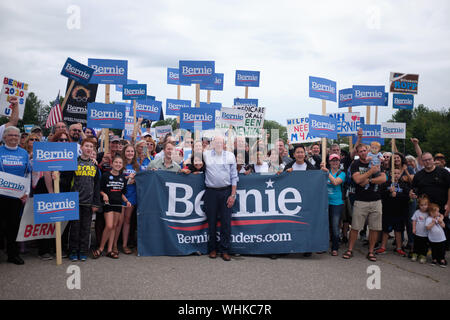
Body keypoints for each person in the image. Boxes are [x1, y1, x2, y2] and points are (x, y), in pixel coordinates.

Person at [343, 143, 387, 262]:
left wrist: (369, 180)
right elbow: (357, 180)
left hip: (376, 200)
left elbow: (384, 179)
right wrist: (371, 171)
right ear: (357, 153)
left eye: (364, 150)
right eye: (360, 151)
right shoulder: (355, 164)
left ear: (368, 150)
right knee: (355, 227)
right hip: (360, 200)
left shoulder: (377, 161)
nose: (363, 152)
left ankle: (371, 251)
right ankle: (350, 250)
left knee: (374, 228)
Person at [203, 135, 238, 261]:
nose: (218, 144)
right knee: (211, 222)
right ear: (212, 144)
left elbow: (234, 176)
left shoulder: (230, 156)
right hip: (211, 192)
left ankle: (225, 250)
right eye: (215, 142)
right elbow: (194, 163)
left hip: (226, 191)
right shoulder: (206, 155)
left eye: (220, 142)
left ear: (224, 144)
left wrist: (232, 195)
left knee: (226, 223)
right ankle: (212, 249)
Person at [67, 138, 101, 261]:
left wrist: (96, 202)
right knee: (74, 228)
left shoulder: (94, 165)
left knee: (86, 228)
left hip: (88, 202)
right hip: (75, 201)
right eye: (86, 146)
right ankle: (73, 250)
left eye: (91, 147)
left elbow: (97, 185)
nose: (88, 148)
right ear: (81, 147)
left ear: (93, 150)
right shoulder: (73, 162)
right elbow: (67, 180)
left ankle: (83, 251)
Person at [0, 125, 30, 265]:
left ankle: (13, 254)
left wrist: (27, 192)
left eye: (16, 136)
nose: (14, 138)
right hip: (1, 195)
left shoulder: (24, 153)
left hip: (17, 196)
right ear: (4, 137)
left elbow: (28, 173)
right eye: (11, 135)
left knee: (13, 226)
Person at [93, 155, 131, 259]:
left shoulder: (123, 178)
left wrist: (127, 201)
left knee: (114, 226)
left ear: (122, 165)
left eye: (120, 163)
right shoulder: (105, 175)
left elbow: (122, 193)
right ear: (112, 163)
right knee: (109, 226)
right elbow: (100, 189)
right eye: (116, 162)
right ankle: (101, 248)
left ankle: (109, 250)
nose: (118, 164)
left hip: (118, 204)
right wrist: (104, 195)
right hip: (108, 204)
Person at [410, 152, 450, 250]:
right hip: (424, 208)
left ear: (433, 160)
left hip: (440, 207)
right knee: (423, 230)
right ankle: (423, 251)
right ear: (422, 162)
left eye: (429, 159)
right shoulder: (418, 175)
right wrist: (411, 194)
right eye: (425, 160)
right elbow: (413, 189)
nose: (427, 162)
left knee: (440, 230)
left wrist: (449, 204)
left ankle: (439, 254)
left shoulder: (443, 172)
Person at [376, 168, 410, 257]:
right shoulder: (386, 184)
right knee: (386, 230)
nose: (396, 175)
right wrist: (388, 191)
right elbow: (380, 194)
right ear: (390, 174)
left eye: (398, 173)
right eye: (394, 173)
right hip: (387, 210)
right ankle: (383, 246)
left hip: (399, 211)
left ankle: (399, 247)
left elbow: (407, 197)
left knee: (398, 230)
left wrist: (397, 194)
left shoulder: (403, 185)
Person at [320, 154, 346, 256]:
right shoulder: (325, 171)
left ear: (339, 162)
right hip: (324, 202)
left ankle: (335, 247)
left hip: (337, 203)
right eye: (332, 160)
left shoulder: (342, 173)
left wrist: (327, 172)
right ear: (329, 162)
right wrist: (322, 170)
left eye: (337, 160)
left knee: (335, 226)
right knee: (324, 225)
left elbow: (335, 182)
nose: (335, 162)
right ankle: (323, 246)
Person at [117, 144, 139, 255]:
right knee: (119, 221)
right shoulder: (120, 164)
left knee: (127, 220)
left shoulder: (137, 166)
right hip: (121, 195)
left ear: (134, 153)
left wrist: (136, 180)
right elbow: (116, 179)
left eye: (132, 151)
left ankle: (125, 245)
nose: (130, 153)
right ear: (124, 152)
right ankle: (114, 245)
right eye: (128, 151)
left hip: (132, 195)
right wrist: (126, 178)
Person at [426, 203, 447, 267]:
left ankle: (442, 259)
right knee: (434, 249)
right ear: (431, 213)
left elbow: (444, 226)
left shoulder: (439, 218)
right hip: (433, 239)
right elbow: (427, 227)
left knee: (442, 250)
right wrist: (433, 222)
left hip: (441, 238)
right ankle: (434, 259)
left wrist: (441, 221)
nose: (438, 213)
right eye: (437, 211)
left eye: (438, 211)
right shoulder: (428, 219)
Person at [411, 195, 430, 264]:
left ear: (428, 205)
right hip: (417, 232)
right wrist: (413, 228)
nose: (423, 206)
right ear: (419, 205)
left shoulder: (429, 213)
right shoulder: (417, 212)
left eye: (425, 205)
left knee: (424, 245)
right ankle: (415, 254)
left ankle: (423, 256)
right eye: (421, 205)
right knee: (416, 244)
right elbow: (414, 221)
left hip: (425, 233)